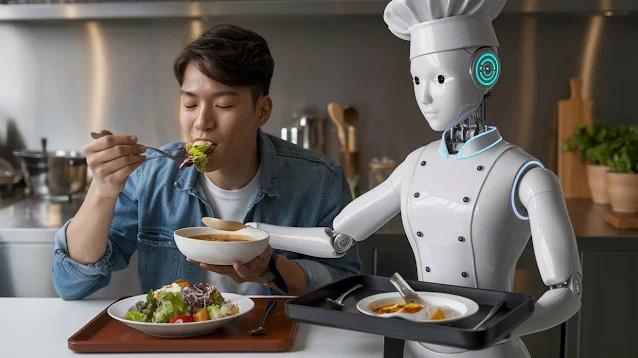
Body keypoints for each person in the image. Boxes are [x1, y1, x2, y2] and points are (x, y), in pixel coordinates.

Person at [52, 24, 361, 300]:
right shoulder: (150, 178)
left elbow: (346, 287)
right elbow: (71, 284)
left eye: (223, 104)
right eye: (190, 103)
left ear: (262, 111)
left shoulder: (322, 180)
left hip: (277, 342)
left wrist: (270, 269)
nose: (201, 122)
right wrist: (102, 190)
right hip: (178, 343)